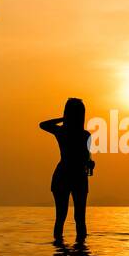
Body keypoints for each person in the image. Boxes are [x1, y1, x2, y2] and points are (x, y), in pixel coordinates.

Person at [39, 98, 95, 242]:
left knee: (78, 218)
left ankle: (77, 252)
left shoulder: (84, 135)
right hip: (64, 177)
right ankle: (67, 253)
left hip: (77, 177)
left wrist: (90, 163)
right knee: (63, 217)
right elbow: (42, 125)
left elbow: (87, 156)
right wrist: (64, 119)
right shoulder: (63, 131)